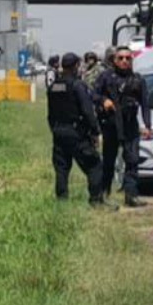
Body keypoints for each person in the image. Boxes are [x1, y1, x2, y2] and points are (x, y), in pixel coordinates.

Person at [94, 46, 153, 206]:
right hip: (111, 125)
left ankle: (131, 196)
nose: (124, 61)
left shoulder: (137, 80)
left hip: (130, 125)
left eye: (128, 58)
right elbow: (93, 94)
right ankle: (103, 194)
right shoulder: (106, 77)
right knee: (108, 161)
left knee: (132, 160)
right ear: (114, 60)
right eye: (120, 58)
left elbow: (145, 104)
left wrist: (148, 125)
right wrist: (103, 101)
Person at [46, 53, 104, 204]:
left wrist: (55, 129)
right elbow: (87, 111)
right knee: (94, 164)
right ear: (76, 66)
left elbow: (50, 114)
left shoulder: (53, 87)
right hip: (76, 133)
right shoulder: (77, 85)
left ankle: (62, 200)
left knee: (62, 168)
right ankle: (96, 200)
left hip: (59, 132)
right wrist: (95, 131)